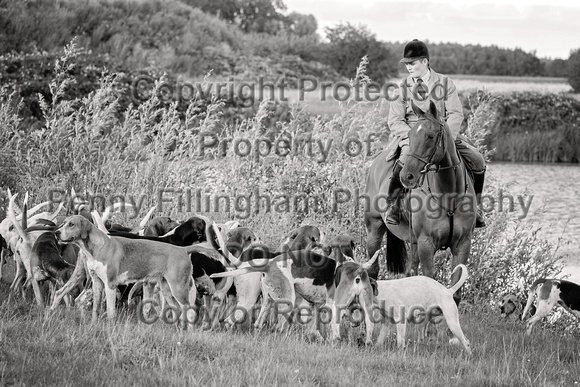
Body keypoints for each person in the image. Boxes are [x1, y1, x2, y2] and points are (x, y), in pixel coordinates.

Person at [386, 39, 486, 227]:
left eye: (412, 63)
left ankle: (476, 207)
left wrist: (448, 137)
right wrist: (414, 136)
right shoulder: (402, 87)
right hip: (412, 136)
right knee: (405, 158)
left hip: (443, 135)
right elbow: (394, 120)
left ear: (424, 61)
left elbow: (456, 113)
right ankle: (394, 205)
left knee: (478, 159)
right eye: (407, 64)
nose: (408, 67)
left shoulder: (445, 83)